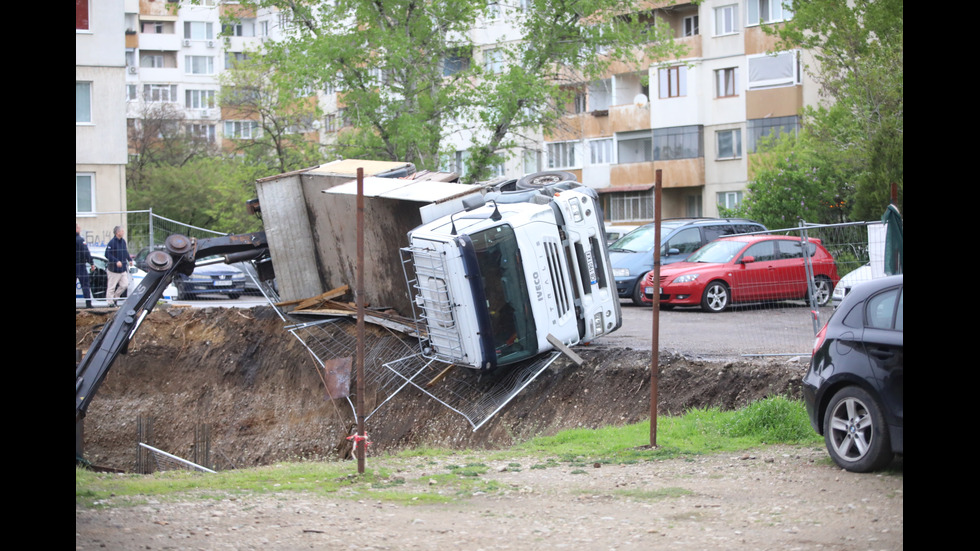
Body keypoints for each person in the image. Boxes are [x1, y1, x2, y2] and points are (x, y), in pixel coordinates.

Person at [105, 225, 132, 306]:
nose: (123, 232)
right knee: (111, 287)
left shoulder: (123, 241)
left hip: (123, 269)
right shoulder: (112, 242)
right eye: (122, 231)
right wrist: (116, 261)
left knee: (125, 285)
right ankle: (110, 303)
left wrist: (129, 259)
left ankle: (116, 297)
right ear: (118, 233)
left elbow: (125, 252)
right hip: (113, 270)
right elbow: (107, 254)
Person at [76, 223, 96, 308]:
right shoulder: (80, 240)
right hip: (80, 265)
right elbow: (85, 252)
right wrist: (91, 263)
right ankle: (88, 304)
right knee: (85, 285)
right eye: (79, 228)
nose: (80, 229)